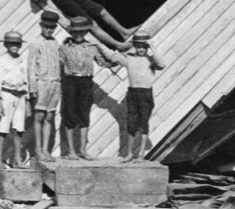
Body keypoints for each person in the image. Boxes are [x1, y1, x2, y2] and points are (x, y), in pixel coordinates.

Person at [58, 16, 121, 160]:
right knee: (70, 115)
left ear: (85, 32)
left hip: (86, 81)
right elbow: (58, 64)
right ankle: (70, 151)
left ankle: (82, 150)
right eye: (75, 32)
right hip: (70, 81)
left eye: (81, 32)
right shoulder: (64, 47)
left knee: (84, 114)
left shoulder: (92, 47)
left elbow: (102, 62)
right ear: (71, 32)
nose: (78, 35)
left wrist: (117, 61)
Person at [117, 31, 165, 161]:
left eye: (144, 47)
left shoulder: (151, 61)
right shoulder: (130, 59)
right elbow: (114, 57)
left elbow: (162, 64)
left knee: (144, 123)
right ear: (135, 46)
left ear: (147, 47)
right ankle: (130, 153)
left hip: (146, 94)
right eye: (138, 46)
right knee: (131, 123)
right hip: (133, 93)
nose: (141, 49)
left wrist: (153, 48)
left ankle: (141, 154)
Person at [26, 9, 62, 161]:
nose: (49, 30)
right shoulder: (35, 43)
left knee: (50, 116)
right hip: (42, 83)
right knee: (39, 116)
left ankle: (47, 149)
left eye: (52, 27)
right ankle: (38, 149)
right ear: (41, 25)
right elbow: (31, 67)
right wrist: (32, 89)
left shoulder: (55, 43)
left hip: (55, 83)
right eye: (46, 26)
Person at [0, 29, 30, 167]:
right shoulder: (1, 61)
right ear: (6, 45)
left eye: (17, 44)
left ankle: (17, 160)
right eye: (11, 43)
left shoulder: (23, 60)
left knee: (19, 128)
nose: (15, 46)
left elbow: (26, 80)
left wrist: (27, 100)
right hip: (6, 95)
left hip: (20, 96)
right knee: (3, 128)